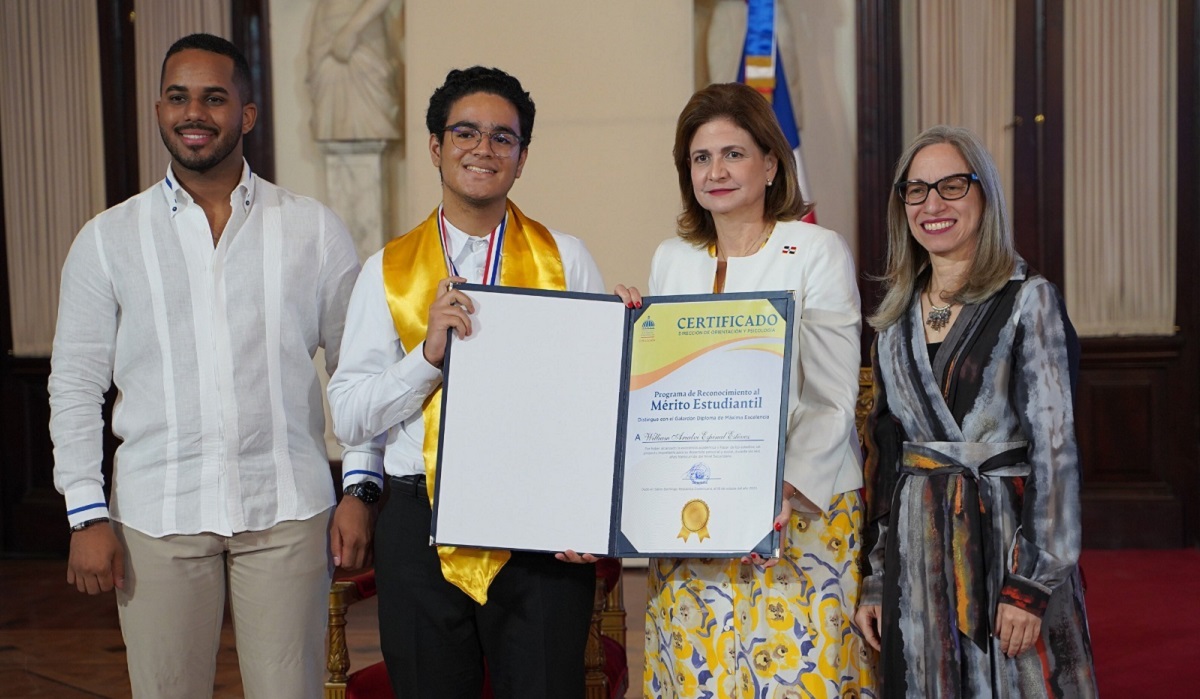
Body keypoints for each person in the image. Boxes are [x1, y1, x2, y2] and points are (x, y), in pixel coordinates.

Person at [49, 33, 363, 697]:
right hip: (156, 512)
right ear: (160, 110)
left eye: (215, 98)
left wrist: (360, 489)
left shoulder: (313, 230)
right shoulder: (108, 239)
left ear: (247, 114)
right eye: (178, 97)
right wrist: (85, 511)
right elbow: (75, 382)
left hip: (286, 508)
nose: (195, 112)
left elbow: (356, 365)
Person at [326, 66, 605, 699]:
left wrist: (585, 511)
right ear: (435, 146)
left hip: (541, 523)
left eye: (502, 138)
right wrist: (426, 357)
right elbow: (348, 415)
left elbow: (597, 400)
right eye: (465, 133)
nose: (484, 149)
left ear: (522, 157)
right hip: (420, 520)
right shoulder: (387, 272)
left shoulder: (566, 258)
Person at [617, 82, 874, 698]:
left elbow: (834, 394)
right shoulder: (670, 259)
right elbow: (659, 389)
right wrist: (625, 331)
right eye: (700, 158)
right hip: (694, 511)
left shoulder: (814, 250)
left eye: (733, 154)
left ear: (770, 162)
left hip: (801, 508)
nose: (717, 171)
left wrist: (778, 489)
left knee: (797, 676)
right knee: (699, 674)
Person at [853, 125, 1098, 697]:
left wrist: (1030, 587)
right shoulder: (892, 324)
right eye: (916, 190)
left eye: (952, 186)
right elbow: (887, 465)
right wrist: (876, 580)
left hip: (1008, 545)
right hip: (918, 554)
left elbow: (1055, 452)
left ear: (985, 195)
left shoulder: (1027, 299)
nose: (932, 204)